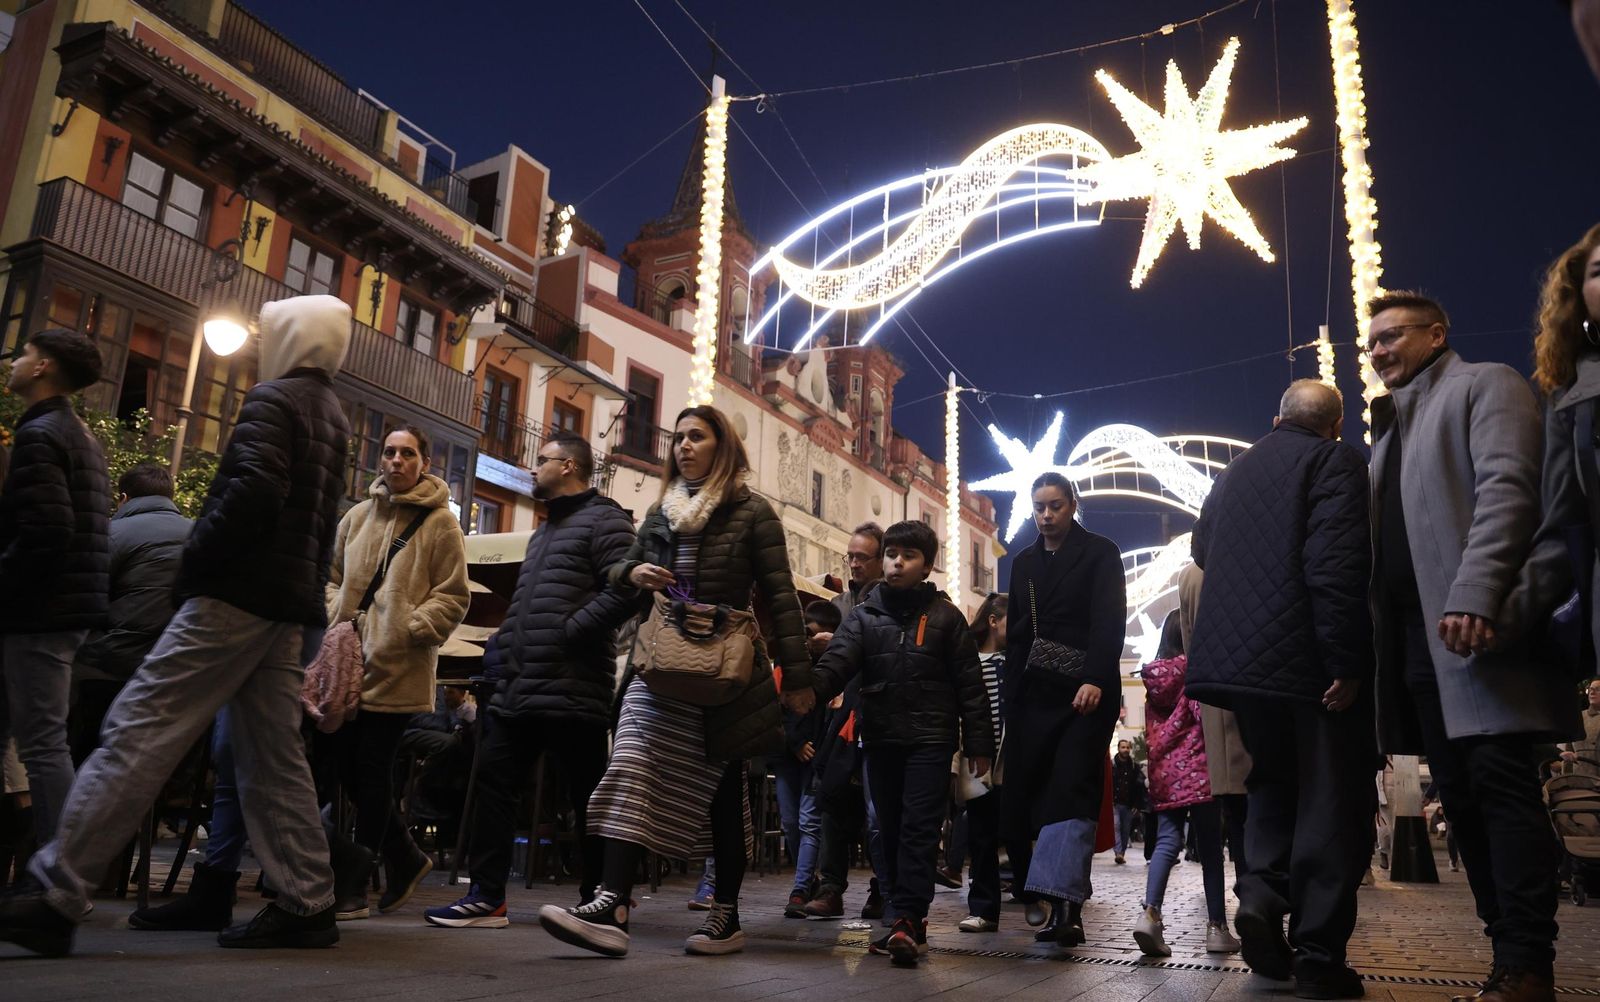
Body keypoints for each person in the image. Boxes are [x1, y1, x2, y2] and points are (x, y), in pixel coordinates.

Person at [0, 294, 353, 955]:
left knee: (141, 723)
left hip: (236, 592)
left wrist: (195, 561)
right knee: (273, 758)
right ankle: (308, 899)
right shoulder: (332, 413)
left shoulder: (276, 400)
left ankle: (55, 889)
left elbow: (252, 493)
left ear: (293, 339)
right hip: (286, 603)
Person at [536, 405, 813, 958]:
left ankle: (725, 915)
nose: (683, 447)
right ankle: (612, 904)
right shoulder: (662, 511)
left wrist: (799, 678)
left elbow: (781, 597)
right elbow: (619, 571)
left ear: (723, 446)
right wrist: (631, 572)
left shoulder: (753, 512)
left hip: (724, 668)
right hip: (660, 660)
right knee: (630, 762)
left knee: (721, 794)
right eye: (679, 439)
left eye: (697, 437)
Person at [1373, 290, 1579, 1002]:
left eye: (1393, 335)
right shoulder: (1392, 427)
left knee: (1500, 791)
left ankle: (1529, 965)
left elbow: (1510, 492)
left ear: (1437, 334)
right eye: (1371, 342)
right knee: (1461, 800)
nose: (1378, 351)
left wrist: (1474, 592)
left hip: (1479, 634)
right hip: (1419, 648)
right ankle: (1506, 960)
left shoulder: (1484, 384)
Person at [1187, 378, 1375, 998]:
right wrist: (1345, 661)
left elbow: (1203, 548)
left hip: (1245, 667)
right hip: (1310, 663)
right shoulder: (1336, 461)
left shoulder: (1235, 472)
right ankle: (1320, 953)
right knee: (1328, 798)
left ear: (1276, 418)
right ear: (1336, 425)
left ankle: (1261, 895)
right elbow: (1336, 567)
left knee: (1269, 784)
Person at [426, 433, 637, 928]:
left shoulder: (606, 520)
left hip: (573, 683)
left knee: (587, 796)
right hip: (519, 684)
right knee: (494, 784)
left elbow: (628, 591)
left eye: (540, 461)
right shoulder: (544, 531)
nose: (531, 468)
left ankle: (602, 903)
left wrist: (573, 630)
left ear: (568, 467)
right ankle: (487, 897)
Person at [810, 519, 993, 966]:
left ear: (926, 566)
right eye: (891, 554)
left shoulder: (947, 619)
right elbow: (836, 666)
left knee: (918, 829)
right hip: (881, 738)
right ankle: (900, 916)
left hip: (931, 741)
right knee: (887, 830)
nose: (895, 562)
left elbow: (971, 687)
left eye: (907, 556)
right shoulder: (864, 616)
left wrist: (979, 744)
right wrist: (803, 689)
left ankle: (910, 918)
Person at [319, 425, 468, 919]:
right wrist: (334, 613)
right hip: (346, 668)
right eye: (389, 452)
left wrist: (411, 627)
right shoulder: (356, 516)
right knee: (343, 769)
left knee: (372, 772)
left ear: (424, 461)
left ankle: (356, 885)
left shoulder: (440, 523)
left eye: (407, 453)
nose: (397, 460)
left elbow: (453, 594)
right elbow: (332, 578)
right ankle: (404, 856)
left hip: (398, 668)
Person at [1001, 472, 1125, 949]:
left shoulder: (1100, 552)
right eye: (1039, 507)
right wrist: (1012, 694)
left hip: (1084, 695)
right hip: (1034, 694)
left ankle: (1068, 908)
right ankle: (1053, 897)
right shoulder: (1025, 561)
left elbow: (1109, 618)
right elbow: (1016, 632)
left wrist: (1095, 676)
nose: (1047, 515)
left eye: (1055, 505)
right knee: (1033, 795)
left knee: (1072, 791)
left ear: (1073, 504)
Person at [0, 329, 109, 850]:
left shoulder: (41, 435)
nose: (15, 362)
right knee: (37, 741)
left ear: (42, 367)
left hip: (39, 612)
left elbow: (46, 531)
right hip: (58, 610)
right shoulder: (77, 433)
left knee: (42, 746)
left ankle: (57, 875)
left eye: (24, 354)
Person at [70, 464, 191, 766]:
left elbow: (81, 598)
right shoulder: (200, 533)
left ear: (123, 498)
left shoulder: (113, 532)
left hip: (108, 665)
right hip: (174, 666)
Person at [1134, 612, 1240, 958]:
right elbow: (1203, 717)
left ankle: (1150, 914)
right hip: (1200, 769)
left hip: (1165, 773)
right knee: (1209, 849)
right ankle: (1216, 929)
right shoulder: (1195, 672)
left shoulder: (1154, 678)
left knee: (1167, 840)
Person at [818, 521, 891, 921]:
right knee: (834, 802)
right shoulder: (841, 604)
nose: (854, 564)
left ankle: (881, 889)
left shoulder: (889, 602)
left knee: (877, 811)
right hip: (844, 721)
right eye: (851, 556)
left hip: (878, 718)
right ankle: (830, 888)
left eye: (862, 557)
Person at [1177, 561, 1250, 887]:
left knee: (1236, 809)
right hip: (1259, 695)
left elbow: (1190, 644)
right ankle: (1260, 892)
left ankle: (1249, 888)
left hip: (1216, 704)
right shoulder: (1252, 555)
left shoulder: (1191, 574)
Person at [777, 600, 833, 918]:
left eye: (811, 634)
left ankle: (799, 889)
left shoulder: (832, 664)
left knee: (808, 821)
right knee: (789, 822)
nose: (807, 640)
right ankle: (808, 879)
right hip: (786, 753)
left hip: (816, 754)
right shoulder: (784, 660)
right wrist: (795, 742)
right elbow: (776, 707)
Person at [958, 591, 1007, 934]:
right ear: (993, 621)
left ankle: (1033, 895)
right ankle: (985, 908)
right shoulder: (968, 660)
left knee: (1017, 832)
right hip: (977, 759)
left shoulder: (1014, 661)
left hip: (1012, 758)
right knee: (982, 836)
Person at [1111, 739, 1145, 866]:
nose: (1125, 750)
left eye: (1127, 747)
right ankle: (1118, 852)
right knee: (1116, 827)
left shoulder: (1134, 767)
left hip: (1129, 804)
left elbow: (1139, 786)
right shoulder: (1112, 765)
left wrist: (1137, 804)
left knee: (1125, 829)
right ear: (1119, 748)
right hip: (1114, 802)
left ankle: (1122, 852)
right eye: (1123, 747)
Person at [1557, 680, 1600, 778]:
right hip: (1581, 778)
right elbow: (1568, 750)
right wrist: (1565, 779)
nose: (1592, 692)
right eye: (1590, 689)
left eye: (1598, 689)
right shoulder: (1578, 717)